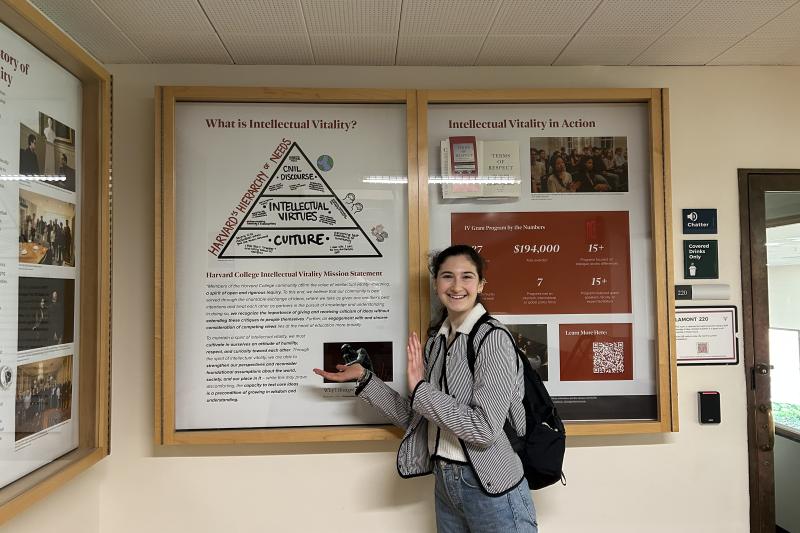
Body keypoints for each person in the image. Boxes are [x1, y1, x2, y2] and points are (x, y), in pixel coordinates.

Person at [314, 245, 536, 532]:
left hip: (490, 486)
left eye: (467, 277)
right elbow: (420, 416)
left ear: (481, 284)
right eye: (447, 276)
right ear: (436, 284)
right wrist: (365, 378)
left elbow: (484, 429)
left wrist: (422, 390)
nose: (457, 286)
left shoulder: (492, 339)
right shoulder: (437, 341)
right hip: (446, 481)